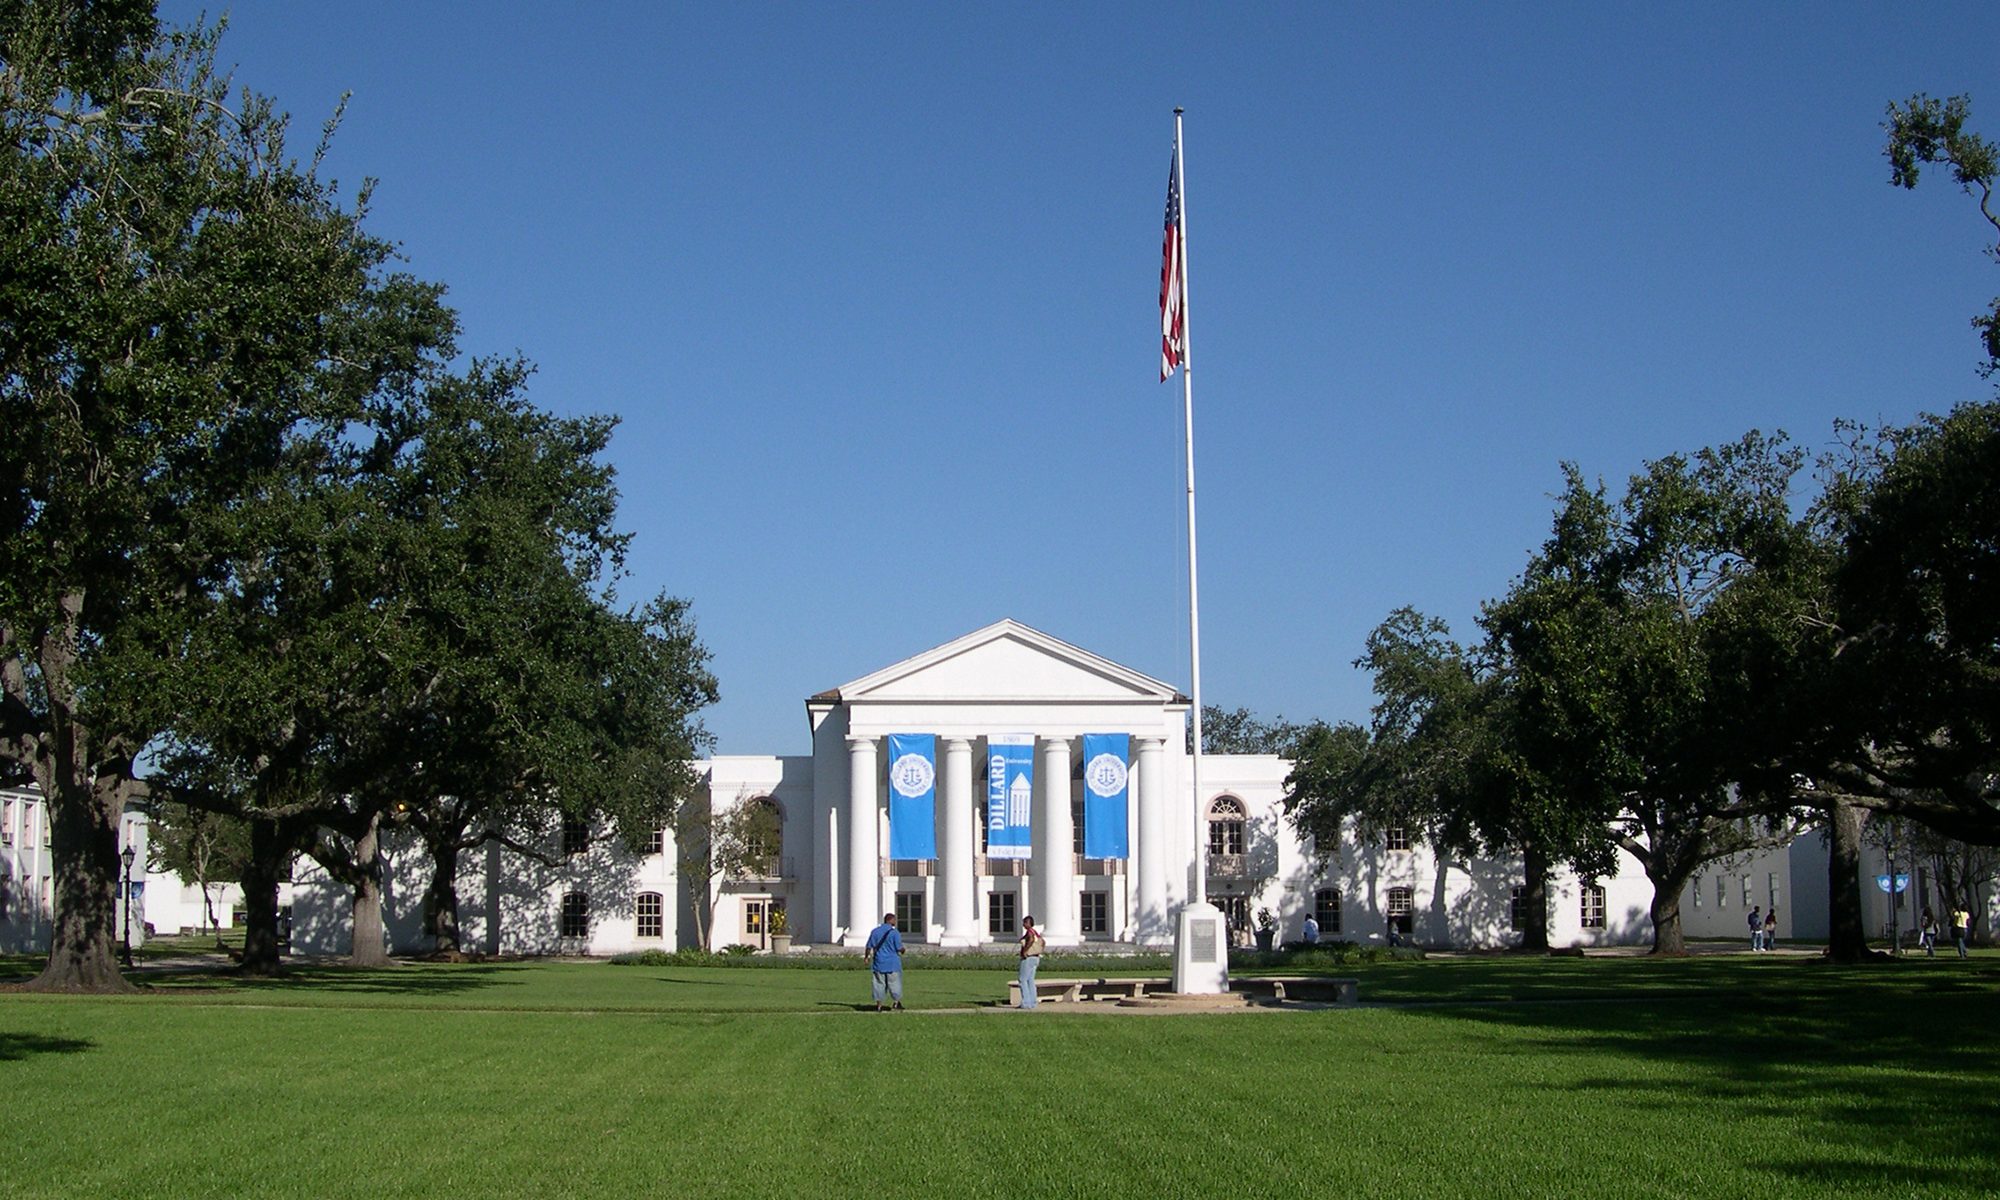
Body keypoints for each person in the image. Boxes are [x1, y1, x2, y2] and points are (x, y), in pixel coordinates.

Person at [863, 911, 904, 1011]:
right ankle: (896, 1002)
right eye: (894, 919)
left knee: (878, 983)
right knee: (894, 983)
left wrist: (866, 957)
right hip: (892, 963)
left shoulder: (875, 931)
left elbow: (869, 946)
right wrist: (903, 950)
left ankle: (879, 1005)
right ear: (891, 920)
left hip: (879, 962)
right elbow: (899, 948)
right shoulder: (894, 933)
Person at [1017, 914, 1045, 1009]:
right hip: (1036, 958)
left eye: (1025, 922)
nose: (1024, 924)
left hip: (1028, 958)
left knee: (1022, 979)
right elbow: (1043, 942)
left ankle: (1026, 1002)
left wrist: (1025, 950)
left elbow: (1031, 940)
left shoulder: (1030, 932)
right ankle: (1033, 1002)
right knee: (1030, 980)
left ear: (1029, 923)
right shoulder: (1036, 932)